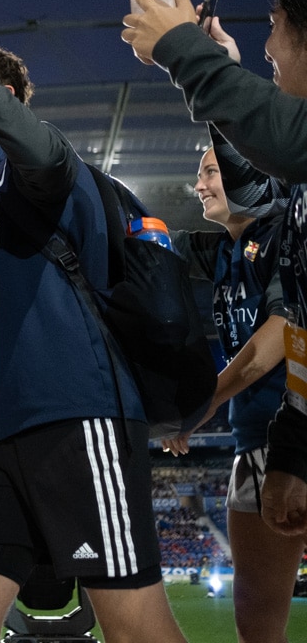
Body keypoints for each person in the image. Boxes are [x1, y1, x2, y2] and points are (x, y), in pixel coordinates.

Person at [0, 11, 187, 643]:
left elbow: (37, 146)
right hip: (1, 440)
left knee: (135, 626)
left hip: (77, 421)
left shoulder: (44, 167)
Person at [122, 0, 307, 539]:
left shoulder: (278, 221)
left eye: (275, 25)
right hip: (268, 435)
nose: (267, 45)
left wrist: (183, 48)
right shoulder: (265, 220)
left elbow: (275, 146)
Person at [161, 142, 304, 642]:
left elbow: (283, 332)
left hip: (292, 437)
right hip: (254, 443)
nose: (198, 185)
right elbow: (141, 240)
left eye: (211, 172)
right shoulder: (224, 249)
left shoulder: (287, 234)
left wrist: (207, 401)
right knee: (256, 624)